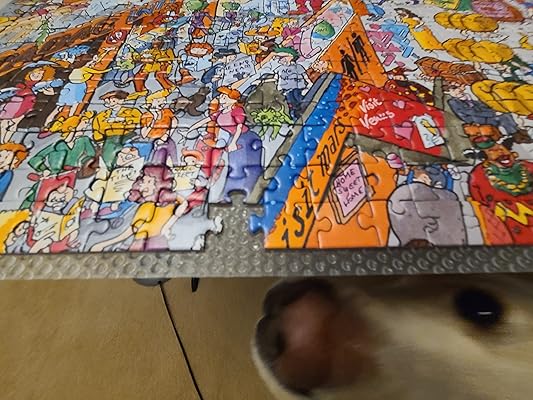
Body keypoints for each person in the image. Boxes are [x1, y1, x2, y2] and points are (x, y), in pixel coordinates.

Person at [186, 86, 262, 201]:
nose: (221, 98)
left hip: (245, 139)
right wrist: (190, 129)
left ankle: (246, 193)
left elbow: (239, 127)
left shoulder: (237, 111)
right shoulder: (220, 112)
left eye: (224, 96)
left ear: (233, 100)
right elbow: (206, 120)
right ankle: (229, 195)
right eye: (221, 96)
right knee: (234, 168)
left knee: (242, 167)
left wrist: (233, 143)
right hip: (233, 139)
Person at [89, 165, 188, 252]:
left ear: (160, 183)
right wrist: (102, 245)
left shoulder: (169, 205)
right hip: (137, 244)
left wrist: (182, 205)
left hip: (156, 243)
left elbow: (180, 205)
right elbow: (128, 233)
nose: (143, 185)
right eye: (143, 181)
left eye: (149, 181)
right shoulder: (144, 207)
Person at [22, 112, 96, 208]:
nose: (86, 126)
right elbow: (35, 159)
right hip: (51, 177)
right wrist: (44, 169)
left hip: (70, 176)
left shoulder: (84, 140)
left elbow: (91, 155)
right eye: (84, 123)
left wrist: (82, 164)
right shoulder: (57, 145)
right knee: (35, 198)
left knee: (62, 201)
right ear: (72, 127)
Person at [469, 142, 533, 245]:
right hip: (508, 221)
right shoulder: (479, 173)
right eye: (493, 151)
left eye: (502, 148)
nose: (500, 152)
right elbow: (479, 199)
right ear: (485, 158)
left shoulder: (527, 166)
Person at [0, 66, 60, 143]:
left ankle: (8, 142)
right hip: (13, 102)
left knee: (12, 123)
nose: (36, 75)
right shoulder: (21, 84)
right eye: (34, 73)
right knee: (5, 123)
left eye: (40, 74)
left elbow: (51, 92)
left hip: (24, 104)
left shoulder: (40, 85)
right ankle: (4, 141)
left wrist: (45, 88)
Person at [92, 90, 142, 168]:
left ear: (122, 100)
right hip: (109, 138)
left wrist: (121, 119)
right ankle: (110, 167)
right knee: (110, 146)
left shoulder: (132, 111)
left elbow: (141, 119)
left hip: (128, 135)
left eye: (113, 101)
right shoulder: (100, 115)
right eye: (107, 102)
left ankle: (111, 166)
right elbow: (96, 129)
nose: (110, 103)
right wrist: (100, 142)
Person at [273, 47, 312, 120]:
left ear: (291, 57)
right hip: (286, 91)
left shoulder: (298, 67)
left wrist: (310, 83)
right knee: (291, 104)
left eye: (282, 58)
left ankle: (305, 112)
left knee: (300, 100)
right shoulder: (280, 68)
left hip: (298, 88)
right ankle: (295, 117)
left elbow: (305, 76)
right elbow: (275, 78)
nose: (280, 60)